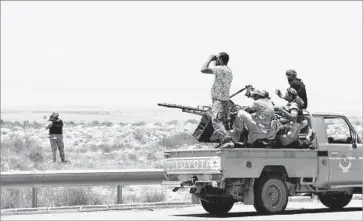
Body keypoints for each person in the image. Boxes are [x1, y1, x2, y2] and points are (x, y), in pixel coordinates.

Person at [201, 52, 234, 148]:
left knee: (215, 119)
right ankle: (224, 142)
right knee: (223, 122)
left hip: (219, 100)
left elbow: (203, 69)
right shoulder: (228, 70)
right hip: (225, 100)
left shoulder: (220, 69)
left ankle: (226, 140)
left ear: (220, 59)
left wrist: (210, 59)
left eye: (217, 58)